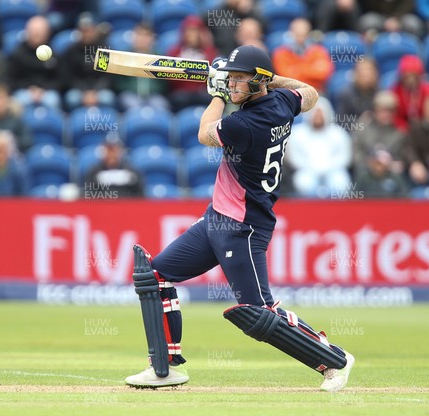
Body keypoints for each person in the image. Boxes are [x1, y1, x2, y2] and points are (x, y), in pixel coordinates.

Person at [124, 45, 354, 392]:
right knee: (154, 276)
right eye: (229, 80)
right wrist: (265, 78)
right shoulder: (282, 103)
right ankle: (165, 368)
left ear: (258, 83)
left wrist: (216, 94)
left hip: (243, 227)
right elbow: (311, 93)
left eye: (238, 80)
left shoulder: (245, 123)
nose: (232, 85)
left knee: (259, 313)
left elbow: (204, 134)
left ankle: (334, 358)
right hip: (217, 218)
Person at [285, 96, 352, 198]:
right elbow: (294, 158)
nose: (318, 116)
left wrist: (326, 167)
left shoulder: (338, 133)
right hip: (306, 170)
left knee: (341, 183)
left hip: (333, 170)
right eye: (315, 113)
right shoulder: (297, 133)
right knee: (303, 183)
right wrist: (313, 167)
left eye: (321, 112)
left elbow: (345, 157)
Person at [9, 15, 62, 109]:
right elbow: (12, 79)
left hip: (47, 91)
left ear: (47, 33)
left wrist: (43, 89)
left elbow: (60, 79)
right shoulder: (18, 54)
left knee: (53, 100)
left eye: (40, 31)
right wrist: (30, 89)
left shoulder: (54, 54)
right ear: (27, 32)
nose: (36, 34)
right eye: (34, 31)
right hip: (24, 91)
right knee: (19, 100)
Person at [166, 15, 217, 112]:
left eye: (195, 31)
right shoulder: (175, 52)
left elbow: (213, 75)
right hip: (181, 93)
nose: (191, 35)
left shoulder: (209, 52)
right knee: (179, 99)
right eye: (189, 31)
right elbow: (169, 78)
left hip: (202, 92)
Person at [115, 23, 169, 111]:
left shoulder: (159, 58)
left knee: (161, 105)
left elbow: (164, 83)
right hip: (131, 94)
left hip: (153, 95)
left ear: (152, 38)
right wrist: (129, 87)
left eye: (146, 35)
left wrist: (154, 89)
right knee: (132, 106)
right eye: (139, 34)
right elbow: (117, 81)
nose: (143, 39)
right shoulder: (124, 56)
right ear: (134, 37)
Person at [351, 91, 407, 176]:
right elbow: (355, 153)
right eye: (382, 110)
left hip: (390, 170)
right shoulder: (362, 126)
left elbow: (401, 157)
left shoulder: (399, 132)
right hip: (365, 169)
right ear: (374, 111)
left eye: (390, 111)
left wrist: (389, 165)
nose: (386, 114)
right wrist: (371, 164)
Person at [272, 18, 333, 93]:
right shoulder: (281, 53)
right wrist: (312, 68)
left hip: (316, 92)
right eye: (297, 34)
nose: (300, 39)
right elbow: (286, 77)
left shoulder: (319, 51)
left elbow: (324, 73)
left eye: (303, 34)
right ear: (291, 33)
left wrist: (296, 69)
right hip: (290, 93)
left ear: (308, 34)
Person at [84, 133, 145, 198]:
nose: (112, 153)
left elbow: (140, 196)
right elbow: (89, 196)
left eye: (115, 148)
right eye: (109, 149)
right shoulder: (94, 172)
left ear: (121, 150)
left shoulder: (133, 172)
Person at [390, 54, 429, 132]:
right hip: (401, 130)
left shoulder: (428, 90)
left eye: (413, 75)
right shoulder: (395, 91)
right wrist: (403, 127)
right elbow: (393, 115)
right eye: (407, 76)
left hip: (424, 129)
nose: (410, 79)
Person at [335, 58, 379, 125]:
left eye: (369, 74)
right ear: (356, 74)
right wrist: (359, 121)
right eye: (363, 75)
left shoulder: (379, 93)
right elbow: (340, 120)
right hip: (353, 132)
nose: (367, 78)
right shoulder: (346, 94)